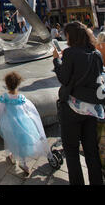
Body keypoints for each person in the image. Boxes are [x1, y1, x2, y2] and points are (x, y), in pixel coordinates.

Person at [53, 20, 104, 185]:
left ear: (71, 36)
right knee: (91, 151)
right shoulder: (96, 53)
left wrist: (57, 60)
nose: (65, 37)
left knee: (72, 151)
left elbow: (64, 78)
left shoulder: (70, 53)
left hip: (72, 108)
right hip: (91, 109)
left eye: (66, 34)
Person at [0, 71, 51, 175]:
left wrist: (1, 119)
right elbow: (29, 109)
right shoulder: (21, 98)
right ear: (18, 84)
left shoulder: (4, 98)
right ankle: (23, 162)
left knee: (10, 139)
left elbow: (0, 110)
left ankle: (13, 156)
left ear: (6, 85)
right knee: (21, 143)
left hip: (10, 123)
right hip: (22, 123)